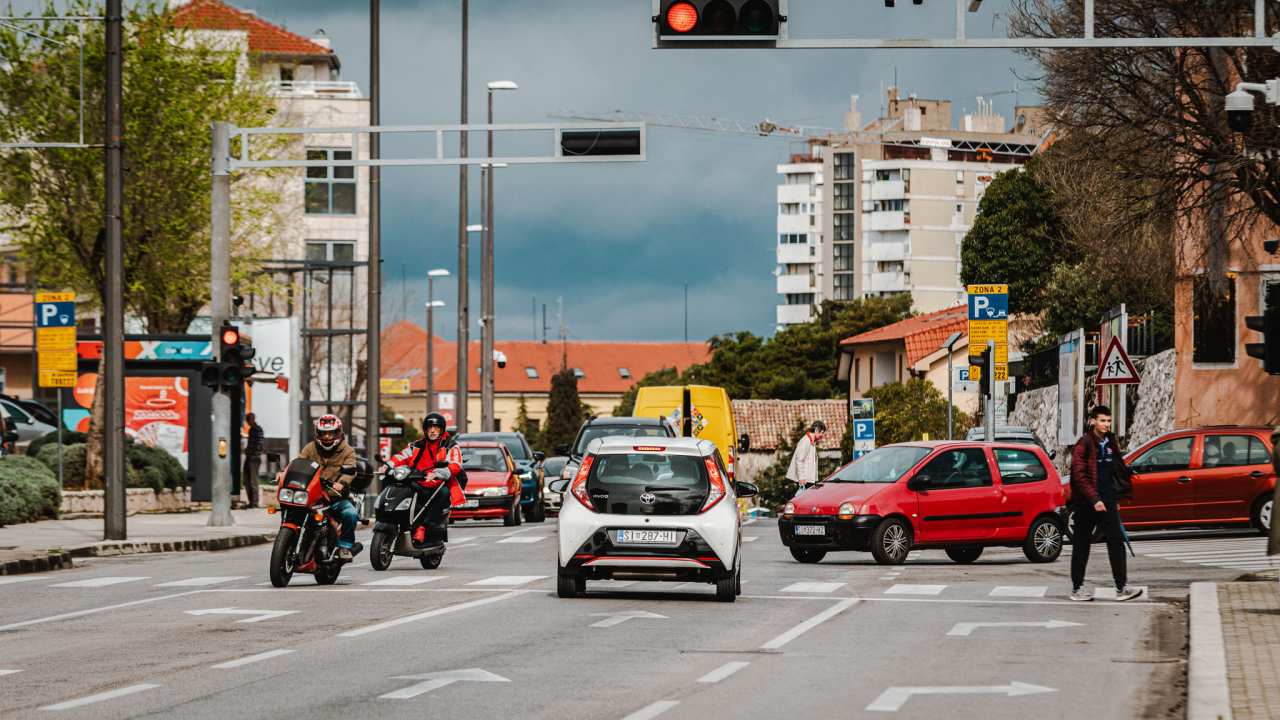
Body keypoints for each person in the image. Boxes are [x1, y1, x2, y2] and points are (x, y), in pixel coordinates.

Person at [1069, 405, 1141, 602]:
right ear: (1093, 421)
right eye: (1103, 420)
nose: (1106, 424)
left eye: (1108, 421)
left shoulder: (1110, 441)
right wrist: (1094, 499)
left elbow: (1116, 470)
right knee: (1082, 544)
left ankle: (1122, 588)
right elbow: (1079, 475)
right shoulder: (1083, 443)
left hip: (1107, 500)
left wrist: (1115, 499)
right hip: (1086, 503)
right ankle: (1077, 589)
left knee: (1116, 541)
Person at [277, 415, 362, 560]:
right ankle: (286, 539)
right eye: (323, 433)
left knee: (351, 514)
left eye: (330, 433)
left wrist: (341, 483)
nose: (327, 436)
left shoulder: (348, 451)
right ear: (318, 433)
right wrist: (284, 473)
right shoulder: (311, 447)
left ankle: (345, 546)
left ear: (338, 433)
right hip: (312, 495)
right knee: (289, 506)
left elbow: (351, 470)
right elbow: (299, 462)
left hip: (335, 498)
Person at [383, 412, 465, 547]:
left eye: (436, 427)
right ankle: (391, 520)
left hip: (436, 485)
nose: (432, 430)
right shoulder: (416, 445)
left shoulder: (451, 445)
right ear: (425, 429)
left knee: (444, 493)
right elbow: (400, 457)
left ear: (442, 429)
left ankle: (424, 527)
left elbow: (455, 465)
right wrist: (387, 466)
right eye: (429, 427)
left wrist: (438, 473)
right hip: (416, 482)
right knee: (392, 482)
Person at [786, 420, 827, 494]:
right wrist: (801, 478)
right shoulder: (806, 441)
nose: (822, 435)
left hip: (808, 479)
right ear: (816, 430)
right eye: (822, 432)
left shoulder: (810, 442)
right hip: (805, 480)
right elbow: (799, 460)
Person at [242, 413, 264, 509]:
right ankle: (251, 501)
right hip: (249, 457)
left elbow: (259, 444)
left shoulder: (257, 430)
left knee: (253, 480)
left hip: (254, 458)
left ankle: (254, 502)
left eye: (248, 420)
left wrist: (253, 455)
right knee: (246, 480)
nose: (247, 422)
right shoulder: (251, 430)